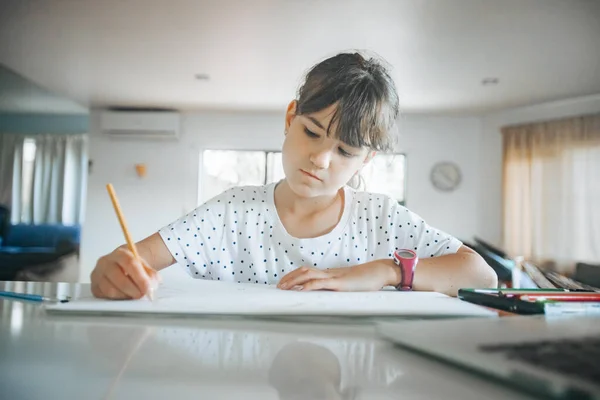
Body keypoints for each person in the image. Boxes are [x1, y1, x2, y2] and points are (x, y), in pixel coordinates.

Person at [91, 51, 497, 300]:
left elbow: (481, 273)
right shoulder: (233, 212)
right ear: (291, 118)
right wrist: (112, 271)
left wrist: (384, 271)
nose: (321, 159)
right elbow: (126, 260)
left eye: (345, 151)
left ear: (366, 160)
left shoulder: (381, 218)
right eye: (312, 132)